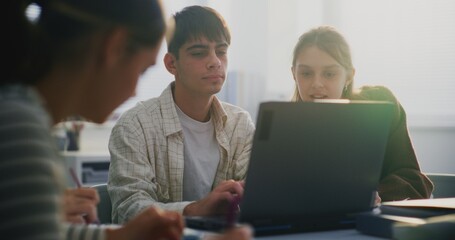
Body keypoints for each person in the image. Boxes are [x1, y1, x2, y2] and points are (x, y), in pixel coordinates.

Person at [0, 0, 251, 239]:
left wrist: (119, 236)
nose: (133, 92)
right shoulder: (19, 129)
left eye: (221, 51)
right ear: (114, 48)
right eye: (142, 70)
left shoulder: (24, 116)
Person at [108, 5, 255, 223]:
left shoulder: (240, 124)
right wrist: (195, 209)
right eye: (199, 53)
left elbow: (257, 198)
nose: (215, 62)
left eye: (221, 52)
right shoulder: (135, 125)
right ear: (171, 63)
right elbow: (129, 208)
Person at [290, 25, 433, 202]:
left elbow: (413, 180)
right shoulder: (283, 125)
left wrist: (376, 195)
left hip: (373, 221)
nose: (317, 83)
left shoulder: (381, 105)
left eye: (329, 73)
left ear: (349, 75)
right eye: (306, 73)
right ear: (294, 74)